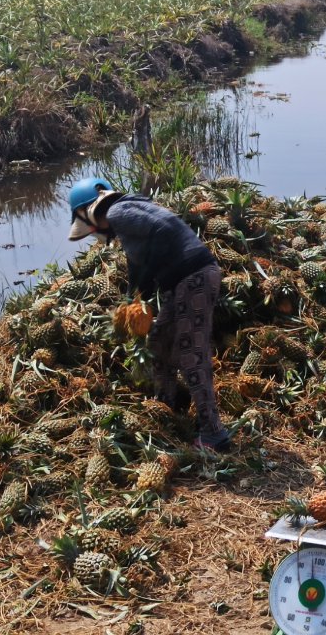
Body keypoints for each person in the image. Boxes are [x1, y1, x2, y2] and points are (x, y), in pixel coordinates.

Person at [67, 176, 232, 454]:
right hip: (182, 282)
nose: (94, 230)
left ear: (91, 210)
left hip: (193, 277)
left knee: (192, 352)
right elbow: (137, 267)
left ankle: (214, 434)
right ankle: (165, 408)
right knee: (158, 341)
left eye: (90, 223)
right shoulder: (129, 217)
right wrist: (133, 299)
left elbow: (161, 230)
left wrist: (154, 274)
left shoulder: (118, 212)